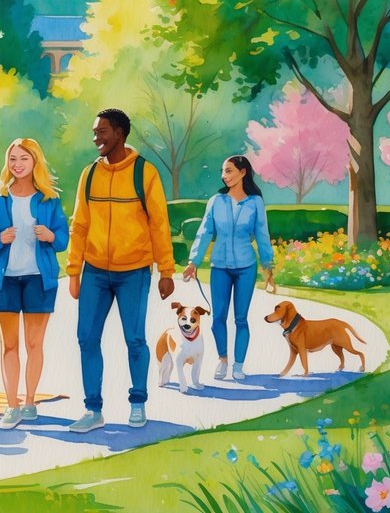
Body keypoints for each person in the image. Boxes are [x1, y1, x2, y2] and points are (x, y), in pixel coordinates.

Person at [66, 108, 175, 433]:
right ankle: (93, 409)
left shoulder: (145, 173)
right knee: (86, 338)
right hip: (95, 272)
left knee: (135, 339)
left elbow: (159, 225)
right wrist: (74, 271)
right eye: (94, 132)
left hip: (134, 272)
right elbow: (79, 225)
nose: (96, 138)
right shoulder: (89, 174)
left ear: (119, 133)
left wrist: (166, 271)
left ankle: (138, 402)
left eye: (102, 132)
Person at [0, 139, 69, 430]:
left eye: (24, 159)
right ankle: (12, 405)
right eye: (13, 159)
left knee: (34, 344)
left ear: (35, 162)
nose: (17, 164)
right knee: (9, 345)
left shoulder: (49, 198)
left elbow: (63, 239)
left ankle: (30, 401)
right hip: (4, 279)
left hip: (39, 279)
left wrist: (50, 236)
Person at [184, 155, 275, 382]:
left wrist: (268, 265)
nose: (224, 176)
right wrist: (193, 262)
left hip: (246, 267)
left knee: (241, 319)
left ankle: (239, 365)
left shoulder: (255, 202)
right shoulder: (216, 201)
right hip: (220, 267)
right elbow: (205, 232)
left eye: (229, 171)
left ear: (243, 172)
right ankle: (223, 359)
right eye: (223, 171)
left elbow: (262, 234)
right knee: (218, 318)